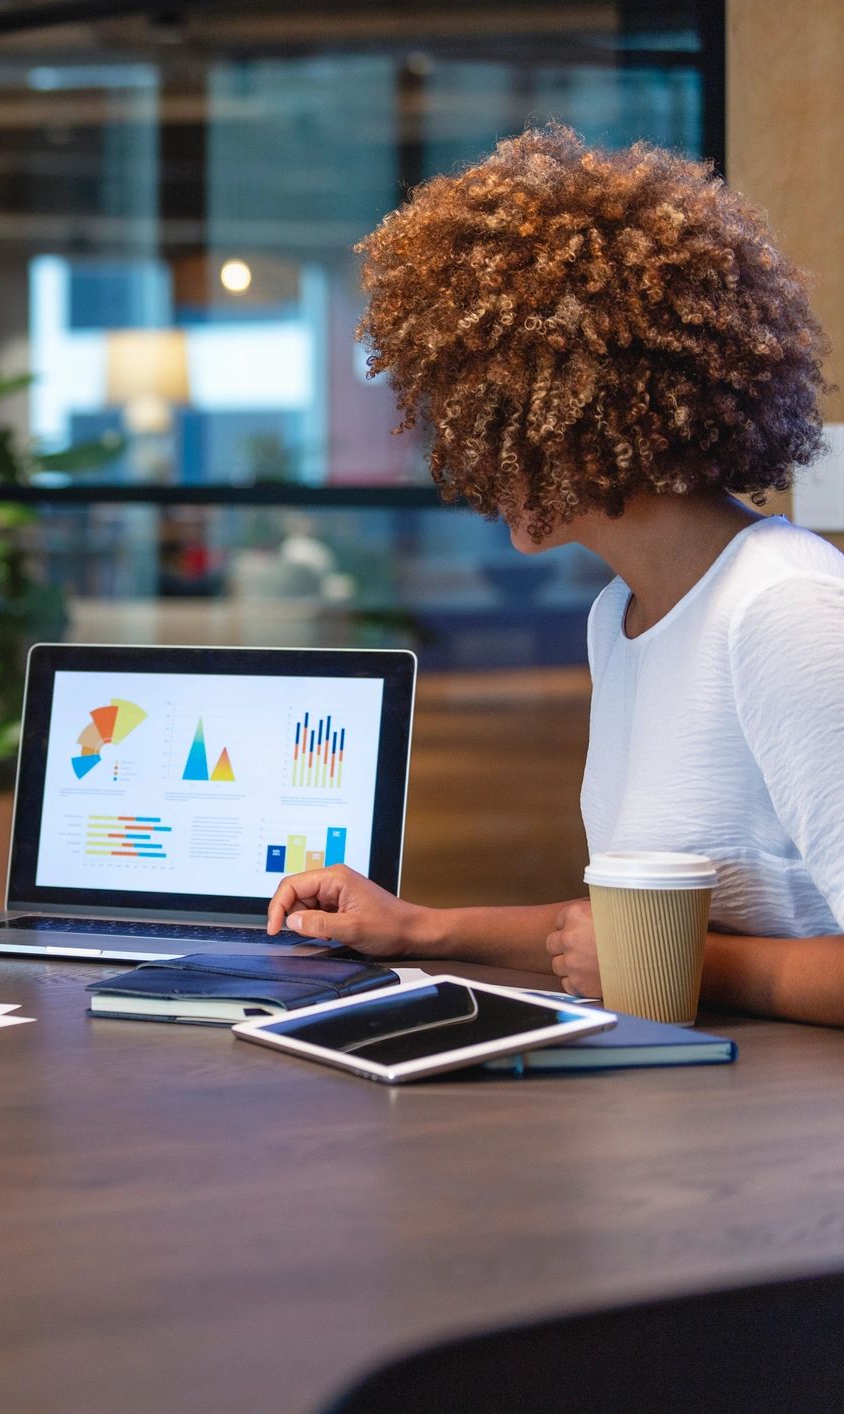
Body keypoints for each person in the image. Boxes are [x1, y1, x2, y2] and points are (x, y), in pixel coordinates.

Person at [265, 126, 844, 1024]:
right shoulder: (622, 618)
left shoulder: (784, 611)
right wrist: (413, 929)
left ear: (586, 412)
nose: (463, 461)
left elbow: (653, 953)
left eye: (485, 420)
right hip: (672, 1100)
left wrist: (701, 969)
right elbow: (608, 931)